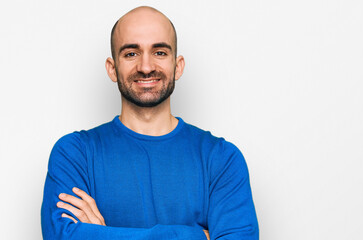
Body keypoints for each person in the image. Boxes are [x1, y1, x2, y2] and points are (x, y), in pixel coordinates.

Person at [41, 6, 259, 240]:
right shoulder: (75, 154)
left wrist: (101, 235)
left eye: (160, 52)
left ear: (178, 66)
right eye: (131, 53)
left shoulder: (221, 158)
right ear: (112, 69)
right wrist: (192, 235)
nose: (146, 67)